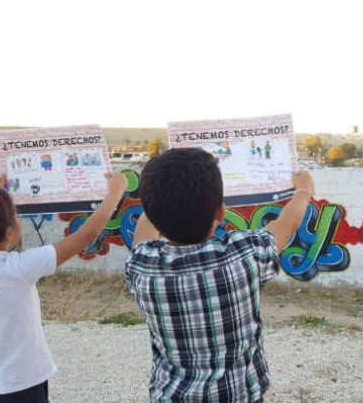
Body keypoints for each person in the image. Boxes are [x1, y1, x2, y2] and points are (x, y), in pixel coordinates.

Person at [126, 148, 314, 402]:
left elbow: (145, 229)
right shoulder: (245, 254)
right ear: (220, 212)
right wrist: (304, 191)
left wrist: (163, 196)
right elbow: (287, 224)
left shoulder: (142, 265)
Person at [0, 172, 128, 403]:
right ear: (9, 233)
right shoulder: (19, 269)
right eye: (15, 214)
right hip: (20, 390)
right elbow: (87, 235)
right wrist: (115, 193)